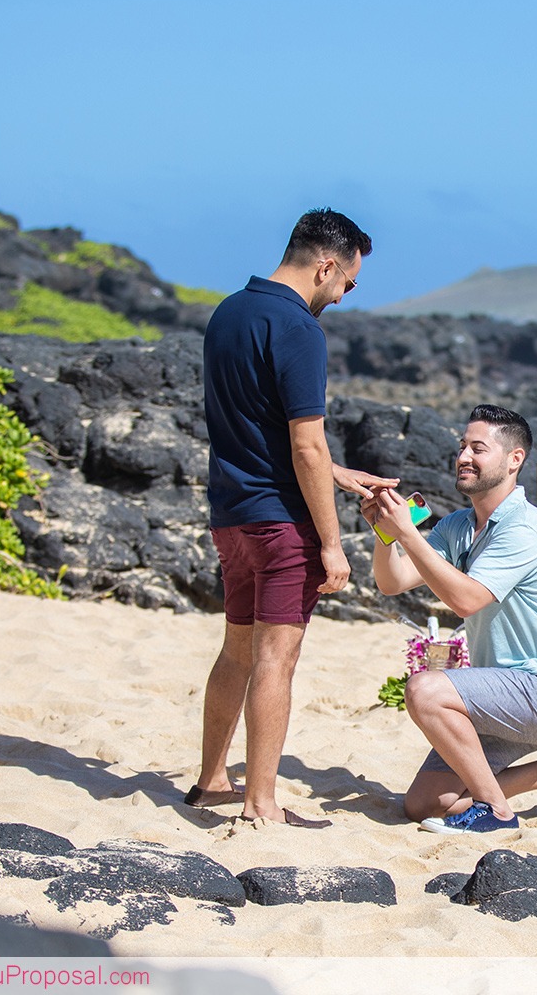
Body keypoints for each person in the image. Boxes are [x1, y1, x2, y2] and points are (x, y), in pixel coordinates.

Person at [186, 208, 398, 828]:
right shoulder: (300, 329)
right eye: (349, 282)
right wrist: (332, 545)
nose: (347, 294)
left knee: (237, 652)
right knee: (276, 660)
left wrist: (336, 472)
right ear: (327, 264)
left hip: (232, 515)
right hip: (282, 525)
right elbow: (304, 443)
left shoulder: (229, 313)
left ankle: (211, 781)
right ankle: (262, 804)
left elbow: (258, 428)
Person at [363, 404, 537, 834]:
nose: (464, 456)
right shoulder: (457, 526)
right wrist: (386, 534)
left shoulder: (524, 527)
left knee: (425, 689)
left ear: (514, 460)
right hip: (500, 692)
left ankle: (496, 812)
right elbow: (393, 582)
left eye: (478, 448)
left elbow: (466, 600)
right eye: (462, 446)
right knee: (425, 804)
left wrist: (410, 534)